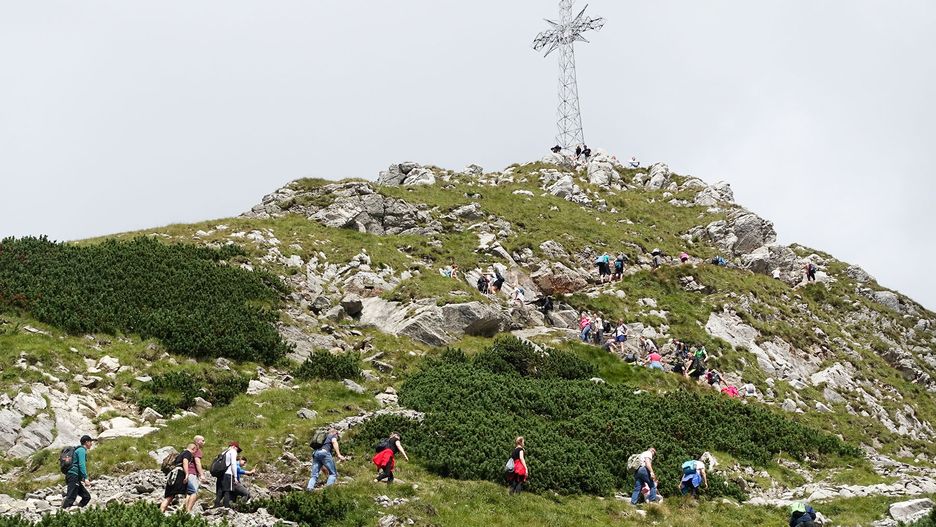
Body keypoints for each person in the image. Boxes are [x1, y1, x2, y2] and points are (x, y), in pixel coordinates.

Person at [161, 443, 196, 513]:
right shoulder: (188, 453)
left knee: (169, 496)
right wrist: (187, 474)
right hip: (179, 474)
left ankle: (161, 512)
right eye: (195, 451)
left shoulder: (181, 454)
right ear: (193, 449)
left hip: (172, 475)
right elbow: (185, 462)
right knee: (191, 492)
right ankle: (186, 511)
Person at [62, 435, 95, 509]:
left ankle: (76, 510)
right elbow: (81, 464)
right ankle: (63, 512)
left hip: (74, 477)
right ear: (86, 442)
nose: (91, 444)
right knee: (71, 497)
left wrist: (82, 478)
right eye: (90, 442)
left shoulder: (79, 450)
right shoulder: (81, 450)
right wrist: (85, 478)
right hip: (73, 476)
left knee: (86, 497)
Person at [214, 441, 241, 509]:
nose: (237, 451)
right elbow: (233, 463)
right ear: (234, 446)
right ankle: (226, 508)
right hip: (228, 474)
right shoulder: (233, 451)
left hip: (221, 474)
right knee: (227, 491)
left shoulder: (223, 452)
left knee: (220, 491)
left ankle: (216, 506)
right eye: (237, 449)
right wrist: (235, 477)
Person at [184, 435, 206, 513]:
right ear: (198, 441)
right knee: (194, 492)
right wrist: (202, 474)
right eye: (203, 440)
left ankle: (184, 510)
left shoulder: (191, 449)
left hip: (186, 472)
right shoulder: (197, 450)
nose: (204, 442)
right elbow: (197, 463)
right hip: (192, 472)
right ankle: (188, 510)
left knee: (189, 493)